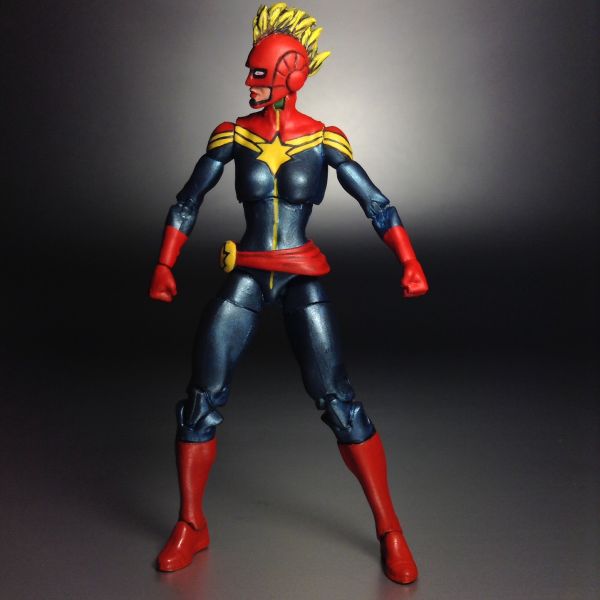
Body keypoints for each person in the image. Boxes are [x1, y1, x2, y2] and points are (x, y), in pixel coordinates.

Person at [149, 3, 428, 584]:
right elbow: (187, 201)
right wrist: (164, 263)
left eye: (260, 73)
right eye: (249, 72)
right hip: (248, 276)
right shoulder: (233, 135)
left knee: (339, 400)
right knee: (201, 397)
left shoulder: (325, 140)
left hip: (302, 278)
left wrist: (409, 260)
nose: (250, 84)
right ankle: (192, 523)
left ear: (292, 73)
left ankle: (390, 527)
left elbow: (376, 204)